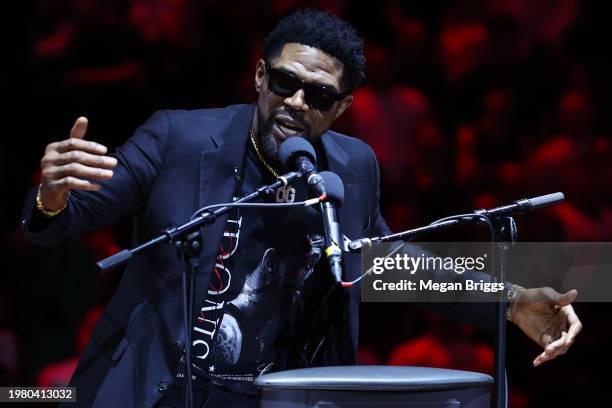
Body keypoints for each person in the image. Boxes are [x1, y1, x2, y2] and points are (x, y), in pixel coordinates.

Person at [21, 10, 581, 408]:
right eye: (285, 82)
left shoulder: (351, 167)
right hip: (157, 388)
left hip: (278, 396)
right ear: (261, 77)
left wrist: (511, 301)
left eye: (316, 95)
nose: (295, 102)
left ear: (339, 108)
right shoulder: (179, 137)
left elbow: (384, 262)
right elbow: (69, 218)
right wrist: (52, 197)